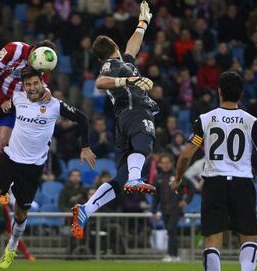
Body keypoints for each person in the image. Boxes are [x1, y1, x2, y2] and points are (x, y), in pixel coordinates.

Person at [0, 66, 96, 270]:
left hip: (33, 168)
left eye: (35, 83)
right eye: (28, 84)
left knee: (20, 214)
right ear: (23, 86)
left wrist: (85, 147)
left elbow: (83, 118)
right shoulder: (18, 98)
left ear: (42, 83)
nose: (32, 87)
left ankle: (12, 245)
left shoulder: (54, 105)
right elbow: (0, 111)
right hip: (10, 159)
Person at [170, 71, 257, 271]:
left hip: (214, 184)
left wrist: (178, 178)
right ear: (241, 94)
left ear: (219, 92)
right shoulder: (251, 121)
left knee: (213, 238)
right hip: (242, 183)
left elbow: (186, 154)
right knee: (249, 236)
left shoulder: (205, 120)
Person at [71, 1, 158, 241]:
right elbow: (99, 82)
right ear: (114, 48)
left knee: (119, 177)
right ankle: (135, 178)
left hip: (122, 120)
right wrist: (128, 82)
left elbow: (133, 47)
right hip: (135, 111)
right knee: (144, 144)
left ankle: (86, 209)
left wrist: (143, 24)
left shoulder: (123, 63)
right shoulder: (114, 66)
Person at [0, 39, 54, 170]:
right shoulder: (14, 49)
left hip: (11, 106)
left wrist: (47, 91)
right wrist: (2, 99)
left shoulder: (45, 63)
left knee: (5, 143)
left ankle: (0, 186)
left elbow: (42, 86)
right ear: (33, 52)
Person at [152, 153, 194, 262]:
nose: (165, 165)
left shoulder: (177, 175)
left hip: (175, 209)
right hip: (164, 209)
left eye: (167, 163)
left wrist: (186, 201)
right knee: (170, 232)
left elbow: (192, 187)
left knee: (171, 229)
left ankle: (171, 255)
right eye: (163, 163)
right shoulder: (158, 178)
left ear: (172, 163)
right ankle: (175, 256)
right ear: (160, 164)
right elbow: (155, 195)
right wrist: (154, 210)